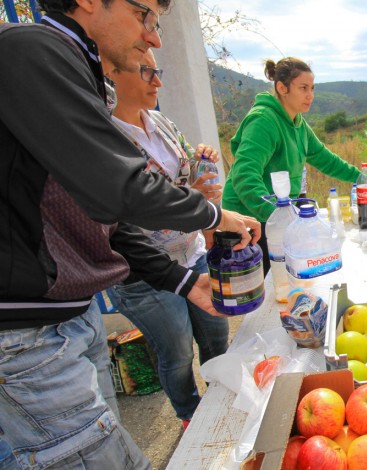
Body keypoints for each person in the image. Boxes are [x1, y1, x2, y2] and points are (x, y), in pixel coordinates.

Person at [0, 0, 260, 468]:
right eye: (145, 16)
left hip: (69, 316)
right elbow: (121, 188)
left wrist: (184, 281)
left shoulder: (77, 73)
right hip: (25, 333)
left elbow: (102, 220)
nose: (154, 39)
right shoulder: (33, 50)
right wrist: (214, 215)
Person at [106, 49, 229, 431]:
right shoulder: (102, 135)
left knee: (216, 333)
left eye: (157, 71)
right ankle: (190, 414)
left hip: (192, 253)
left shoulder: (159, 121)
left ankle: (224, 395)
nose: (157, 81)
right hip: (145, 271)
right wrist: (191, 198)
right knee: (175, 350)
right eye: (146, 72)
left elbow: (182, 170)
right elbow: (127, 212)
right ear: (112, 73)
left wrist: (201, 159)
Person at [223, 57, 363, 276]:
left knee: (291, 280)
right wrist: (283, 218)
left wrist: (360, 178)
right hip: (248, 222)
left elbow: (324, 158)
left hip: (276, 218)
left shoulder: (298, 123)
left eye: (313, 88)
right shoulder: (263, 120)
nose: (310, 95)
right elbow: (244, 176)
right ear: (282, 88)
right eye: (303, 88)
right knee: (267, 290)